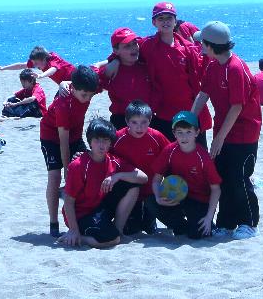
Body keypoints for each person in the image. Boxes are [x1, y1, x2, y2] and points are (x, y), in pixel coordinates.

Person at [191, 21, 262, 240]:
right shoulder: (213, 65)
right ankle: (226, 223)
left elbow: (237, 107)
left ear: (211, 45)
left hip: (244, 134)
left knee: (239, 178)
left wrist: (219, 138)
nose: (200, 45)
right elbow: (203, 94)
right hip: (223, 130)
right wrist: (189, 120)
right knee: (222, 177)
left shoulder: (235, 68)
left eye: (202, 42)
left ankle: (249, 223)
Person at [107, 2, 211, 144]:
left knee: (197, 153)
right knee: (168, 153)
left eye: (169, 18)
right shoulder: (147, 45)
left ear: (175, 21)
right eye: (161, 18)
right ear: (154, 22)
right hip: (163, 114)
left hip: (190, 112)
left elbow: (201, 75)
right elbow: (126, 50)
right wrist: (115, 60)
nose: (165, 22)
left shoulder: (188, 48)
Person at [58, 118, 147, 248]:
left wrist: (117, 176)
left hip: (98, 207)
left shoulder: (112, 160)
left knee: (133, 185)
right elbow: (68, 201)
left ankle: (118, 230)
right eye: (97, 140)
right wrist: (73, 230)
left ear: (110, 142)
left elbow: (143, 177)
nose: (101, 145)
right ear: (90, 142)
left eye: (105, 140)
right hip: (80, 215)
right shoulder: (78, 165)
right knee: (111, 239)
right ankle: (78, 237)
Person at [39, 65, 100, 237]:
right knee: (55, 176)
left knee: (89, 166)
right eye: (84, 95)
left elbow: (98, 68)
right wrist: (67, 170)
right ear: (73, 89)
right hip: (52, 137)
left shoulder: (86, 86)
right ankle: (54, 223)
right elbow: (63, 142)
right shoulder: (63, 104)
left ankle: (82, 210)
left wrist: (64, 81)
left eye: (90, 95)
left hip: (74, 134)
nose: (87, 99)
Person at [146, 111, 221, 239]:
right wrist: (158, 197)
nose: (184, 137)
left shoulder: (203, 157)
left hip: (198, 198)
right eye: (180, 132)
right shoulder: (169, 150)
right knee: (151, 202)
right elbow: (156, 179)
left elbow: (216, 189)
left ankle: (200, 225)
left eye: (188, 132)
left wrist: (209, 217)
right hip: (176, 194)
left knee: (197, 235)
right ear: (174, 133)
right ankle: (180, 226)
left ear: (197, 132)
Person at [111, 100, 170, 234]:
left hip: (152, 191)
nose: (139, 127)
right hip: (129, 191)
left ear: (150, 120)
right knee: (132, 229)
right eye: (134, 122)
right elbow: (104, 157)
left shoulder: (156, 137)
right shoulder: (118, 138)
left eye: (144, 122)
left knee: (149, 228)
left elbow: (170, 154)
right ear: (127, 121)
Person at [99, 27, 153, 130]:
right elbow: (90, 81)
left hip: (147, 118)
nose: (133, 48)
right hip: (121, 121)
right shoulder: (111, 70)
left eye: (134, 43)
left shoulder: (145, 64)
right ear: (116, 50)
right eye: (127, 46)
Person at [0, 46, 76, 85]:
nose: (35, 65)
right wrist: (3, 68)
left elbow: (53, 69)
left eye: (36, 63)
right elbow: (21, 65)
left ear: (43, 59)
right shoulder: (38, 59)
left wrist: (41, 75)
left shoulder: (53, 59)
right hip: (65, 84)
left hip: (76, 79)